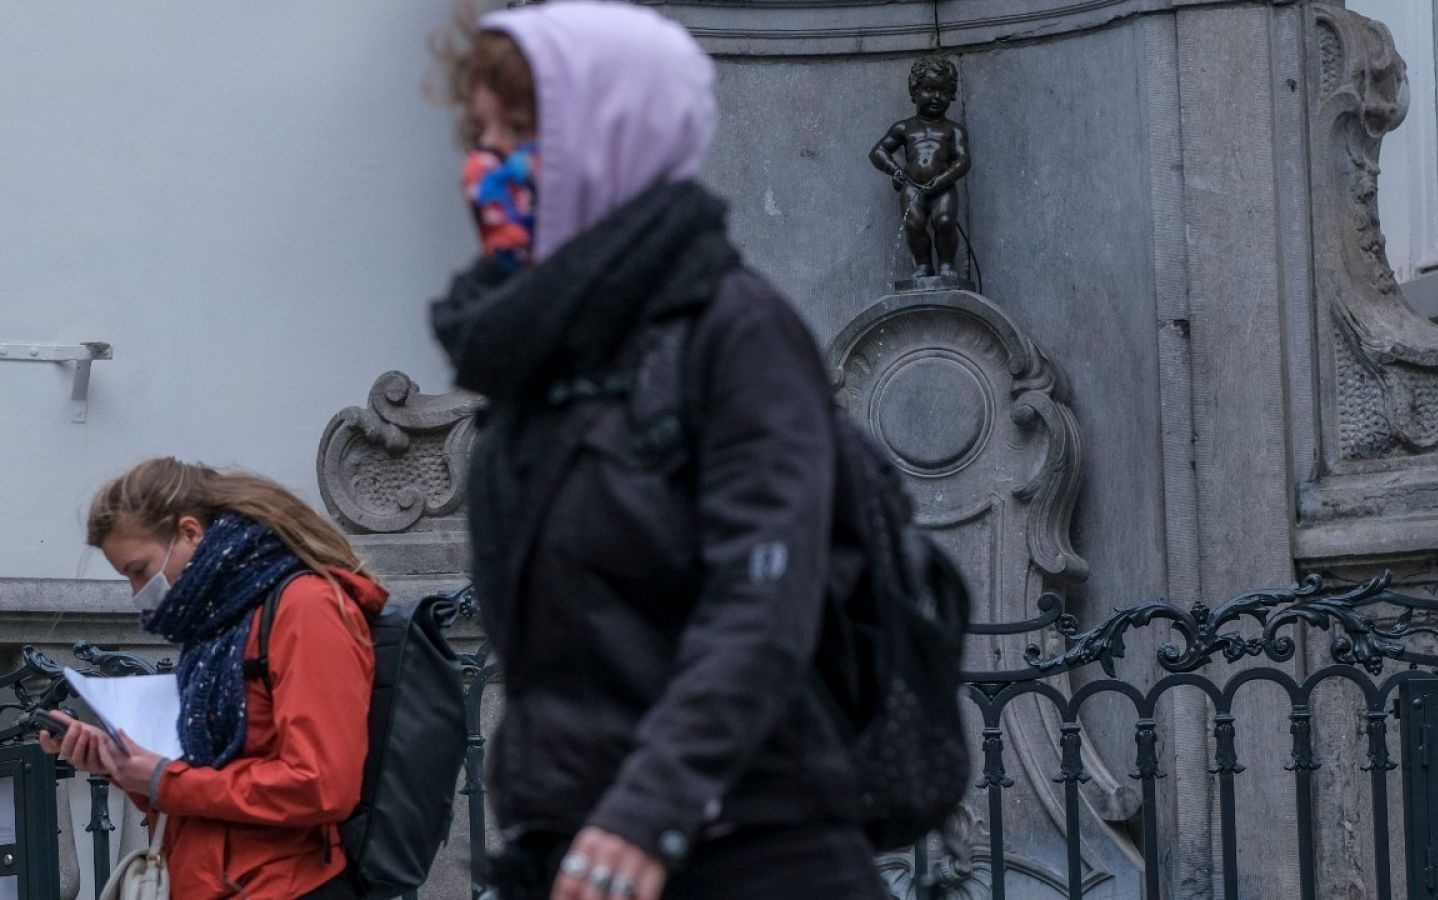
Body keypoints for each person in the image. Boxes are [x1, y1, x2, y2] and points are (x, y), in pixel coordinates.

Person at [429, 3, 887, 899]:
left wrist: (653, 804)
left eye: (518, 131)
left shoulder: (733, 329)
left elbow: (764, 597)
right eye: (479, 132)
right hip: (574, 844)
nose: (484, 164)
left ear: (612, 138)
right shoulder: (540, 351)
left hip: (736, 846)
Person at [39, 458, 386, 899]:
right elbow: (203, 786)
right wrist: (121, 768)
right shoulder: (221, 622)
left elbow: (321, 785)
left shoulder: (307, 607)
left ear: (190, 532)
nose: (135, 592)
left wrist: (163, 779)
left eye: (140, 569)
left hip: (285, 886)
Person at [869, 56, 971, 278]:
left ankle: (946, 265)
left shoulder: (954, 130)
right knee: (914, 224)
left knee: (944, 221)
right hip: (912, 186)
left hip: (942, 187)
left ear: (952, 94)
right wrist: (895, 170)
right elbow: (877, 152)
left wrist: (943, 179)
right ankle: (923, 265)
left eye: (943, 91)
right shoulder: (905, 127)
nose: (936, 97)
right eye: (929, 89)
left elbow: (963, 161)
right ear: (914, 92)